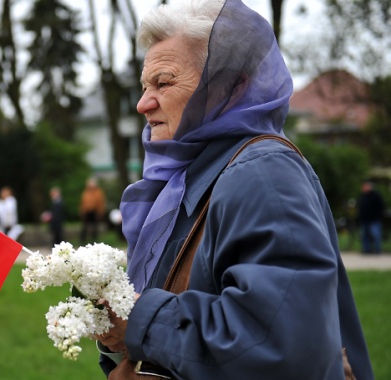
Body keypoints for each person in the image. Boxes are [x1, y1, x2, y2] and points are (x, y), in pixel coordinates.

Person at [95, 1, 374, 379]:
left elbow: (281, 345)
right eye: (144, 86)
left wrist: (139, 320)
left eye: (163, 82)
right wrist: (117, 328)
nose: (144, 104)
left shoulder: (263, 172)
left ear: (230, 86)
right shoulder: (186, 178)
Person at [357, 181, 385, 254]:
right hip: (364, 219)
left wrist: (377, 215)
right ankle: (367, 250)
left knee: (376, 235)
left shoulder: (376, 196)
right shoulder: (363, 196)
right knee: (365, 236)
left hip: (374, 219)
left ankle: (377, 250)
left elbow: (380, 207)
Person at [79, 177, 106, 243]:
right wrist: (82, 212)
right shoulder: (85, 192)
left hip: (95, 211)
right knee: (84, 227)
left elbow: (101, 203)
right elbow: (83, 203)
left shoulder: (98, 192)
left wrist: (100, 212)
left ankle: (94, 240)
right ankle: (82, 240)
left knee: (95, 227)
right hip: (87, 212)